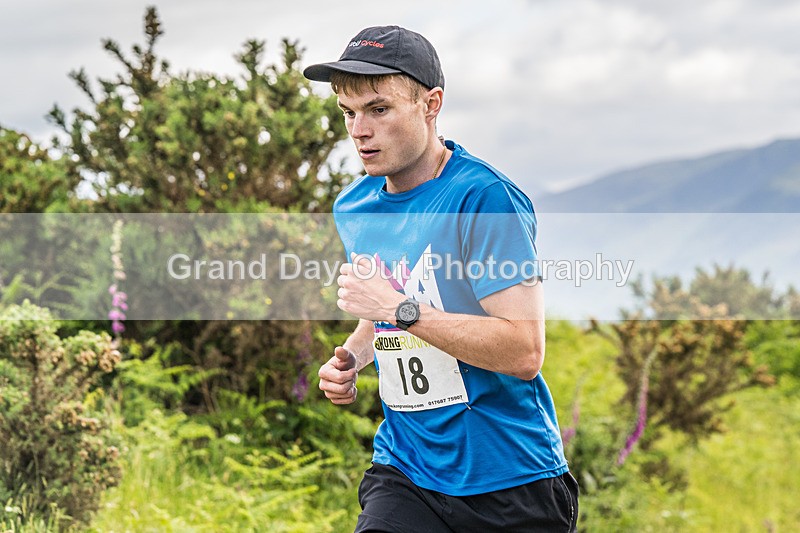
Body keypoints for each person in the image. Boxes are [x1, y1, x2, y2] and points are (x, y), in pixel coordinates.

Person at [304, 25, 578, 532]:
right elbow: (387, 307)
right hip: (406, 469)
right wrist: (354, 357)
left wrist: (397, 310)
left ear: (431, 104)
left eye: (378, 109)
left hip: (509, 480)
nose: (359, 130)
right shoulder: (354, 206)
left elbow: (523, 352)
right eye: (348, 112)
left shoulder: (484, 198)